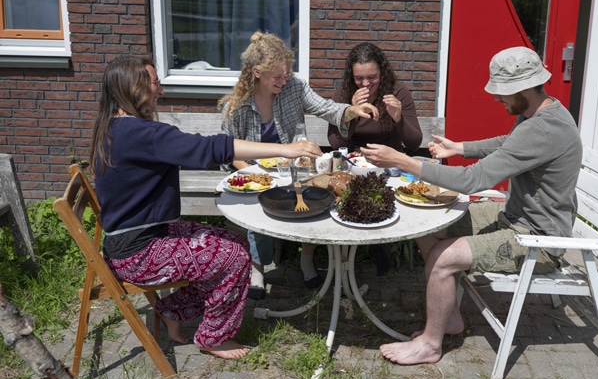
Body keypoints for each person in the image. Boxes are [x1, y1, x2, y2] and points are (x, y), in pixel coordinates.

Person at [361, 47, 583, 365]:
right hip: (514, 217)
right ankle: (450, 318)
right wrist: (461, 147)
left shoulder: (545, 129)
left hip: (538, 239)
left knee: (442, 258)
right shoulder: (541, 112)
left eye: (501, 92)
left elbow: (472, 181)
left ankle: (430, 345)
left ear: (521, 89)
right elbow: (509, 142)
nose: (496, 99)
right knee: (429, 223)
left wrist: (403, 161)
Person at [90, 56, 321, 360]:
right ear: (134, 87)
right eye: (155, 82)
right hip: (138, 252)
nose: (160, 90)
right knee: (235, 258)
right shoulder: (138, 134)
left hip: (145, 235)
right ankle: (213, 337)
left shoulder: (118, 128)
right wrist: (285, 150)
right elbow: (210, 147)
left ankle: (173, 311)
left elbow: (196, 150)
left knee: (237, 242)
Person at [218, 31, 379, 299]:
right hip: (253, 171)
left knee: (316, 198)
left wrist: (351, 111)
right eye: (277, 76)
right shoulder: (238, 105)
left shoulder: (295, 87)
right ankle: (257, 267)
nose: (284, 80)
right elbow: (228, 149)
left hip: (294, 167)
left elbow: (326, 108)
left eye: (287, 73)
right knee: (258, 203)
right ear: (257, 72)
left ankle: (306, 258)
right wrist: (255, 175)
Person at [327, 42, 423, 275]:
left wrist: (399, 118)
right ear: (351, 75)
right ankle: (348, 254)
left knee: (378, 194)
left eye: (372, 77)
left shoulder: (398, 93)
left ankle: (379, 248)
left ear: (383, 71)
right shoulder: (343, 94)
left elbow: (414, 143)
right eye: (359, 79)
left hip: (388, 162)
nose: (366, 83)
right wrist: (350, 113)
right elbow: (335, 142)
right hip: (353, 162)